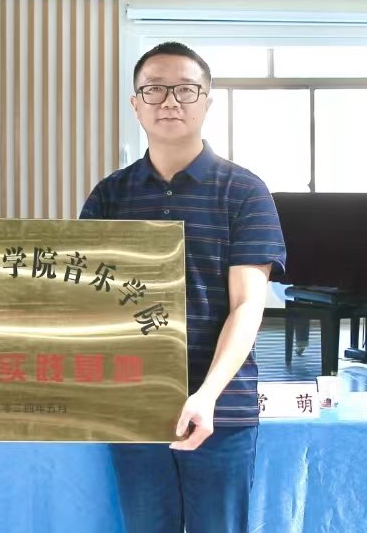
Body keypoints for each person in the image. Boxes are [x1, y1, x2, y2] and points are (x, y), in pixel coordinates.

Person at [80, 41, 286, 533]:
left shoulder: (245, 191)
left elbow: (247, 306)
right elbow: (89, 303)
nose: (170, 101)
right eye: (154, 89)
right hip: (133, 405)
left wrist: (207, 395)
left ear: (207, 102)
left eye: (186, 89)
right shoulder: (109, 195)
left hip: (223, 407)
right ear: (135, 104)